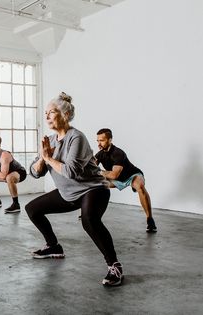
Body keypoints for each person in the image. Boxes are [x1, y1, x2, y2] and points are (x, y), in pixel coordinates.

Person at [26, 92, 123, 286]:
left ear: (65, 115)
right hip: (69, 193)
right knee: (32, 209)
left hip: (93, 190)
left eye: (51, 112)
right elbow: (34, 172)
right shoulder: (51, 141)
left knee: (89, 221)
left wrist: (48, 159)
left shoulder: (77, 138)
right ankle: (54, 246)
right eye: (45, 113)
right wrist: (42, 159)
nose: (46, 116)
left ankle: (114, 266)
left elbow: (70, 172)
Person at [95, 128, 157, 233]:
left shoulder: (118, 153)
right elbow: (89, 168)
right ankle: (89, 214)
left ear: (110, 140)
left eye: (102, 140)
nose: (99, 143)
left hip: (132, 176)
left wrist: (100, 172)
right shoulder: (100, 154)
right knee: (92, 184)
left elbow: (114, 175)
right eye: (97, 141)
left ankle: (150, 220)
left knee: (140, 186)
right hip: (118, 180)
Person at [0, 134, 27, 214]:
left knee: (9, 177)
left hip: (20, 172)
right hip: (6, 175)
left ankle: (16, 205)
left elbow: (3, 176)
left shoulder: (4, 155)